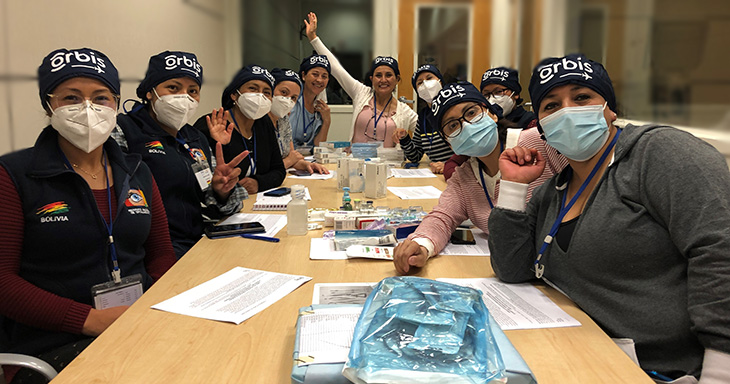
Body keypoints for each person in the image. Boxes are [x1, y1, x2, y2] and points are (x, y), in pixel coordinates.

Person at [489, 54, 730, 383]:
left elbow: (720, 248)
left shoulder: (658, 153)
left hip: (658, 371)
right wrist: (514, 188)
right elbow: (512, 269)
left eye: (582, 97)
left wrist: (720, 372)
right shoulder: (554, 190)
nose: (568, 110)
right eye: (551, 105)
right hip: (578, 356)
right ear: (541, 127)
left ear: (610, 109)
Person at [0, 48, 176, 383]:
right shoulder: (14, 175)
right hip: (57, 342)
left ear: (115, 103)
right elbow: (3, 283)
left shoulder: (136, 171)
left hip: (137, 322)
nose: (87, 108)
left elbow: (161, 255)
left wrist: (161, 306)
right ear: (49, 105)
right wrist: (91, 320)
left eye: (100, 97)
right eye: (70, 97)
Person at [393, 82, 567, 275]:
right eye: (452, 126)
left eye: (471, 113)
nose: (466, 125)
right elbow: (443, 217)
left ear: (491, 113)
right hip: (516, 270)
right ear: (449, 143)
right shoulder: (464, 177)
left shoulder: (539, 142)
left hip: (564, 268)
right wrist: (421, 244)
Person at [115, 51, 248, 259]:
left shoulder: (195, 138)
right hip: (152, 253)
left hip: (198, 242)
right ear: (150, 92)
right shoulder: (124, 130)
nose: (184, 97)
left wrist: (222, 190)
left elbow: (221, 205)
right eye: (173, 88)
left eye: (192, 91)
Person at [305, 12, 418, 147]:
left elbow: (430, 132)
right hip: (355, 163)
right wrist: (313, 38)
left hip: (387, 166)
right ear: (371, 78)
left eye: (388, 75)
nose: (383, 80)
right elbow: (336, 68)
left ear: (397, 79)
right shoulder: (361, 93)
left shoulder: (404, 111)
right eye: (378, 75)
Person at [194, 65, 286, 194]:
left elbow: (279, 170)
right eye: (252, 89)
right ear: (234, 94)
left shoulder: (264, 123)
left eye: (266, 92)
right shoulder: (210, 124)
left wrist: (259, 183)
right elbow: (205, 182)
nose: (260, 96)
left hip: (256, 204)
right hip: (222, 209)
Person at [444, 67, 536, 180]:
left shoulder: (531, 124)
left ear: (515, 93)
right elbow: (453, 163)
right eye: (486, 94)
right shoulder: (481, 126)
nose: (492, 98)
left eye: (498, 92)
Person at [393, 64, 454, 174]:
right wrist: (404, 138)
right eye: (420, 82)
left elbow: (470, 151)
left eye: (429, 78)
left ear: (440, 81)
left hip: (458, 172)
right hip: (436, 174)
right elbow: (415, 156)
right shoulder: (423, 117)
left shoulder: (454, 110)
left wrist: (450, 165)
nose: (425, 84)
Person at [268, 68, 328, 174]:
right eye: (283, 92)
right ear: (269, 91)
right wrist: (289, 161)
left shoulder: (283, 120)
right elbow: (264, 169)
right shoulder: (258, 123)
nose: (287, 100)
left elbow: (292, 157)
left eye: (293, 98)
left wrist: (307, 165)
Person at [289, 54, 332, 150]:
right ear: (304, 76)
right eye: (315, 74)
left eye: (324, 76)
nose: (319, 80)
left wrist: (327, 121)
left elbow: (318, 145)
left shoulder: (320, 107)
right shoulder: (291, 100)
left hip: (308, 159)